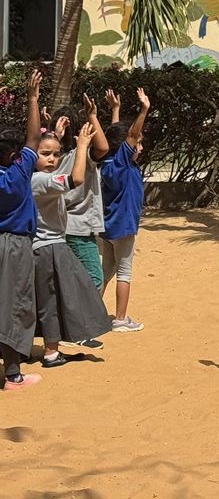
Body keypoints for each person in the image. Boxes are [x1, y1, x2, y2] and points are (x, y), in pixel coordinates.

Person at [31, 119, 112, 367]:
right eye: (45, 154)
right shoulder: (39, 181)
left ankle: (51, 349)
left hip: (53, 245)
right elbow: (76, 179)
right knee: (51, 300)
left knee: (51, 299)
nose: (52, 159)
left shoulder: (44, 178)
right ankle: (51, 352)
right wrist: (82, 147)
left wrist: (56, 134)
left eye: (55, 154)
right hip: (47, 248)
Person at [0, 70, 45, 390]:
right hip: (15, 246)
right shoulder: (18, 174)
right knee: (16, 306)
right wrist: (32, 98)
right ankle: (13, 374)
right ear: (14, 155)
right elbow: (33, 139)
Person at [98, 88, 149, 332]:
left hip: (107, 228)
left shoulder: (110, 162)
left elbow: (116, 137)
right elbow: (129, 135)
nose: (140, 146)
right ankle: (120, 318)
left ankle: (92, 313)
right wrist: (144, 109)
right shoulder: (120, 163)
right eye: (138, 144)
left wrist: (115, 110)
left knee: (105, 271)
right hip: (123, 228)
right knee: (124, 272)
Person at [60, 94, 110, 294]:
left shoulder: (53, 159)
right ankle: (81, 320)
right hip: (79, 228)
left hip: (62, 226)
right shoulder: (79, 157)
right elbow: (103, 147)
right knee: (95, 279)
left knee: (69, 276)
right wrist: (92, 116)